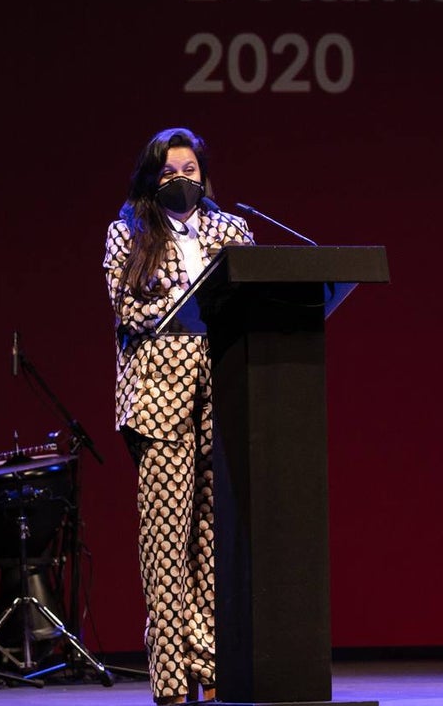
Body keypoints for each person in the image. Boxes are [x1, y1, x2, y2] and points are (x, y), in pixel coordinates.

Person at [103, 128, 254, 704]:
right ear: (150, 178)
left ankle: (210, 669)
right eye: (170, 172)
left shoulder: (230, 229)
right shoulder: (128, 235)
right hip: (159, 401)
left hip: (222, 397)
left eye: (190, 170)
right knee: (167, 545)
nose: (182, 180)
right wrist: (196, 295)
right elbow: (130, 310)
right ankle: (170, 682)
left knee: (213, 544)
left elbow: (249, 291)